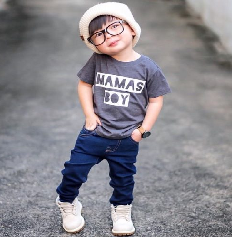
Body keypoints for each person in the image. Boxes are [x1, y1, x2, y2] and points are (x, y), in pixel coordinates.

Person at [56, 2, 171, 236]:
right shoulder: (98, 61)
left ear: (131, 28)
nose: (108, 36)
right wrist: (89, 115)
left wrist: (142, 130)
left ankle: (121, 210)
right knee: (73, 172)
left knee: (123, 179)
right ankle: (68, 204)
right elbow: (84, 84)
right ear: (93, 42)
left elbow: (156, 100)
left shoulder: (148, 67)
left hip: (127, 138)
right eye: (98, 35)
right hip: (94, 134)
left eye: (114, 27)